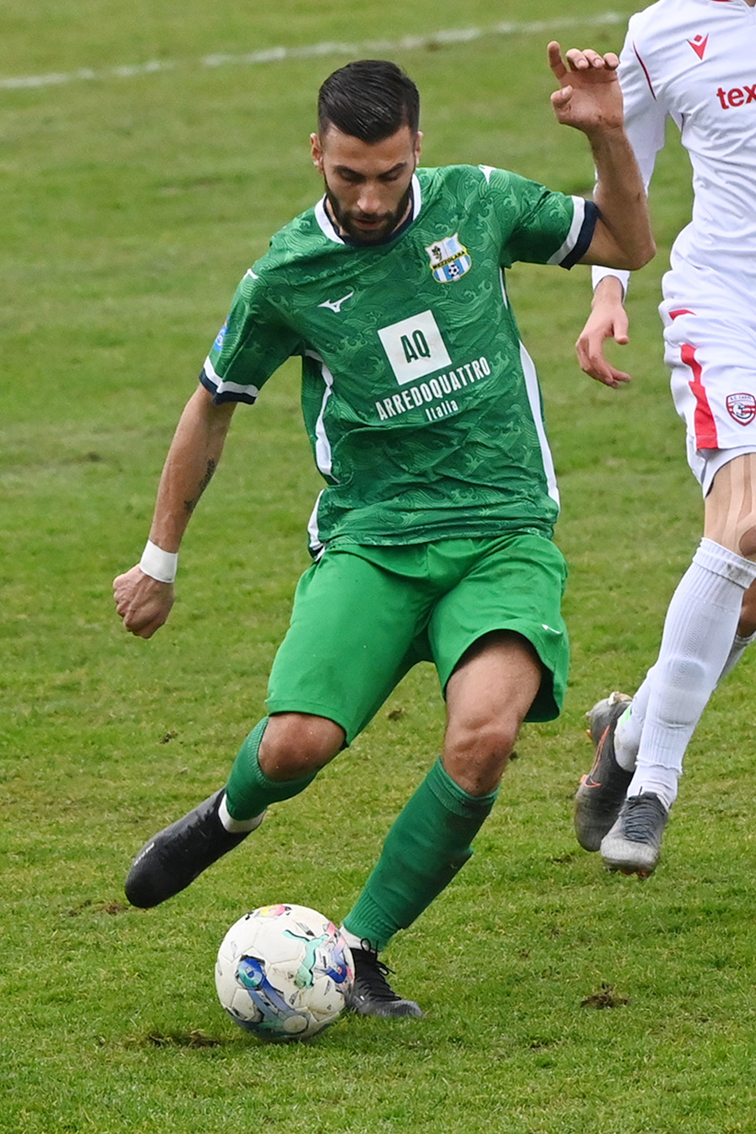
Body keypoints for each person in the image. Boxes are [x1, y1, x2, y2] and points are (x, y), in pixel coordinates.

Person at [114, 47, 653, 1017]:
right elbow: (213, 404)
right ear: (314, 152)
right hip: (371, 540)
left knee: (483, 738)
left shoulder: (476, 204)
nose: (370, 200)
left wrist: (608, 132)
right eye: (348, 175)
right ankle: (229, 814)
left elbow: (622, 243)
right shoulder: (285, 275)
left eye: (390, 175)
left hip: (502, 533)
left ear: (419, 151)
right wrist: (160, 560)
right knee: (295, 747)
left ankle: (358, 951)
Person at [573, 0, 756, 878]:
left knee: (749, 596)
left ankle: (627, 731)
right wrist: (606, 291)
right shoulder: (662, 30)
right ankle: (652, 789)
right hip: (724, 309)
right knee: (745, 523)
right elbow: (624, 176)